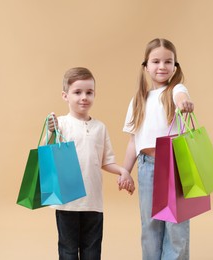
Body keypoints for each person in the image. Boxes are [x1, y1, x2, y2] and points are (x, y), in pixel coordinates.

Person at [46, 67, 135, 260]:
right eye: (77, 92)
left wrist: (123, 171)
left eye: (89, 92)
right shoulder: (60, 124)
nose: (84, 97)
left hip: (93, 203)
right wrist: (51, 132)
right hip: (67, 204)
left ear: (95, 94)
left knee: (92, 252)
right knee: (68, 251)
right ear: (65, 95)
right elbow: (48, 154)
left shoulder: (100, 128)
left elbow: (106, 161)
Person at [122, 38, 194, 260]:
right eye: (156, 61)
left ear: (175, 66)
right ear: (146, 66)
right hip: (147, 168)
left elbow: (182, 96)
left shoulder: (175, 90)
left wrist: (184, 102)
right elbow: (134, 141)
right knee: (150, 225)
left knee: (176, 227)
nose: (162, 66)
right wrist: (125, 171)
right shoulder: (138, 101)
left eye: (168, 61)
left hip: (174, 164)